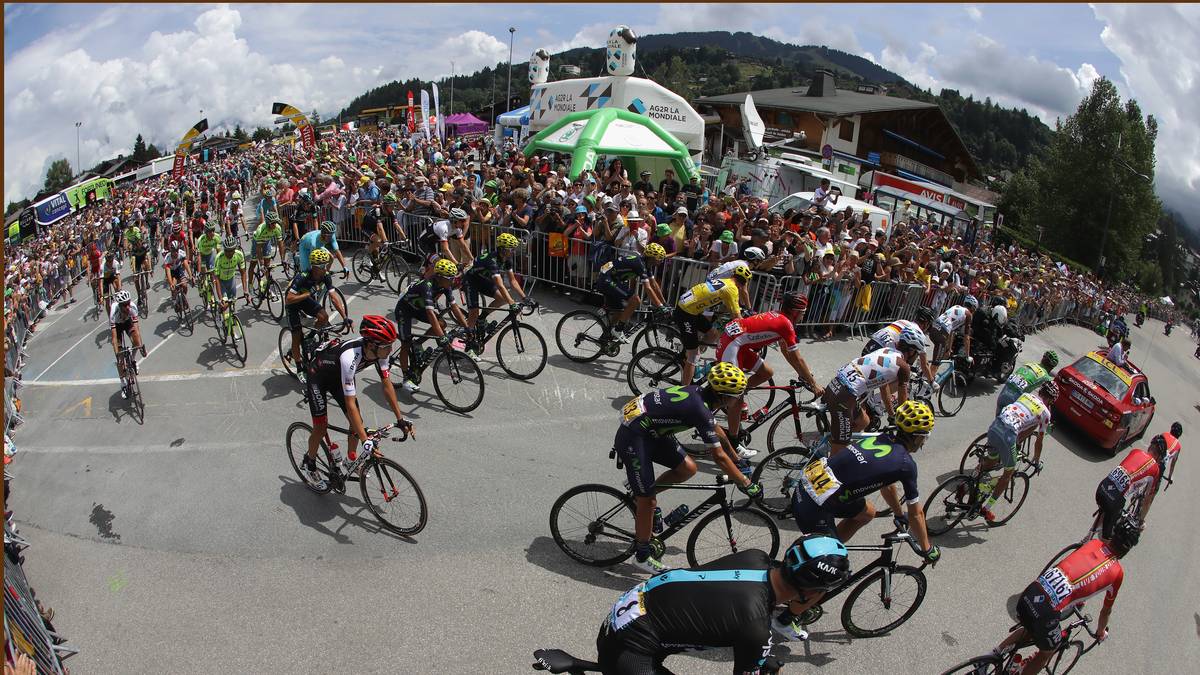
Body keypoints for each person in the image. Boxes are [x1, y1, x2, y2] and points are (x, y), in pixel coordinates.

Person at [775, 401, 942, 640]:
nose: (924, 442)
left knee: (868, 512)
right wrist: (927, 549)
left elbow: (889, 486)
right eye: (924, 437)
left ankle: (827, 546)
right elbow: (917, 513)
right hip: (814, 504)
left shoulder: (883, 438)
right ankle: (784, 619)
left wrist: (897, 514)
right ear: (917, 437)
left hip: (813, 487)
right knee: (834, 570)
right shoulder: (906, 464)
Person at [593, 535, 849, 674]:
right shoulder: (755, 627)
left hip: (632, 611)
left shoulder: (755, 556)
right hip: (628, 652)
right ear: (810, 592)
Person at [614, 362, 764, 573]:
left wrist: (736, 457)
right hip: (634, 436)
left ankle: (639, 487)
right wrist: (745, 482)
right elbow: (718, 457)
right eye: (737, 395)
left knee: (688, 468)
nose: (739, 399)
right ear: (723, 395)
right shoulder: (699, 409)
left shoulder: (701, 396)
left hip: (652, 430)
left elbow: (715, 429)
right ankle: (641, 555)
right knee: (648, 501)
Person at [992, 520, 1139, 675]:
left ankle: (990, 656)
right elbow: (1106, 612)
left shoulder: (1093, 543)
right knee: (1047, 652)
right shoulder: (1117, 573)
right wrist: (1101, 632)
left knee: (1030, 628)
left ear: (1114, 535)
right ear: (1127, 549)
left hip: (1030, 592)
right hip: (1045, 612)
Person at [299, 315, 414, 491]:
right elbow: (350, 402)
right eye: (387, 346)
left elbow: (387, 386)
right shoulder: (349, 357)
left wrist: (400, 418)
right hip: (318, 377)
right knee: (321, 427)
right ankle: (310, 463)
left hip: (338, 379)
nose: (391, 350)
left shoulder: (379, 350)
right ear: (371, 345)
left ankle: (350, 460)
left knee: (356, 423)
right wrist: (364, 440)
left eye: (392, 345)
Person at [717, 293, 824, 458]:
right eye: (802, 312)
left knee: (767, 372)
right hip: (732, 344)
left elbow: (786, 351)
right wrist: (813, 383)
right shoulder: (785, 324)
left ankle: (734, 397)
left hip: (740, 343)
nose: (803, 315)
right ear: (794, 312)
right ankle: (733, 441)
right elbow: (797, 357)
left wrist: (804, 375)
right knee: (737, 400)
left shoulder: (782, 319)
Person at [821, 330, 923, 457]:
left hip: (836, 386)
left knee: (863, 422)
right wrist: (904, 422)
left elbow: (883, 386)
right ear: (912, 351)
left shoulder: (886, 351)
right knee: (837, 455)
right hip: (843, 398)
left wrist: (891, 414)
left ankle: (834, 441)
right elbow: (903, 401)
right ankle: (832, 454)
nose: (917, 356)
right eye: (917, 353)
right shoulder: (904, 367)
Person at [973, 381, 1057, 522]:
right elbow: (1039, 441)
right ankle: (986, 509)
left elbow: (1020, 418)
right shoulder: (1045, 413)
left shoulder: (1026, 395)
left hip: (994, 427)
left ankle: (968, 482)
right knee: (1008, 474)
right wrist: (1036, 461)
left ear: (1041, 391)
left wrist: (1018, 441)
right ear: (1052, 400)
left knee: (991, 460)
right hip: (1007, 436)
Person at [392, 258, 469, 392]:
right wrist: (442, 338)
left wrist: (467, 327)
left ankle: (418, 343)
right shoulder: (426, 285)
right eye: (449, 278)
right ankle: (406, 378)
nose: (452, 281)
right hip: (404, 309)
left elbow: (455, 308)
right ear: (439, 277)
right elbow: (430, 313)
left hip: (418, 307)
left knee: (442, 323)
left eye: (453, 278)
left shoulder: (446, 286)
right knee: (406, 343)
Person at [673, 267, 750, 388]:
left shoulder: (725, 281)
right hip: (685, 313)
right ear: (745, 283)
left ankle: (690, 357)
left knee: (713, 334)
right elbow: (737, 317)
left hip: (690, 310)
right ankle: (684, 392)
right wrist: (749, 330)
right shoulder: (732, 289)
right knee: (693, 356)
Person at [283, 248, 349, 381]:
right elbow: (288, 299)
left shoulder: (325, 275)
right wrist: (306, 294)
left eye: (326, 265)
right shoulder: (302, 277)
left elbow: (334, 297)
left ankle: (310, 338)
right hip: (293, 303)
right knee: (296, 336)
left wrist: (345, 317)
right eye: (323, 265)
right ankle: (300, 369)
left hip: (305, 299)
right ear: (315, 267)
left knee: (324, 317)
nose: (326, 268)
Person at [463, 232, 527, 354]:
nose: (513, 251)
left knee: (502, 298)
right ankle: (469, 346)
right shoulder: (491, 261)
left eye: (514, 249)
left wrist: (524, 297)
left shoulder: (507, 259)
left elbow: (513, 281)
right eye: (511, 249)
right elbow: (500, 285)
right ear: (502, 249)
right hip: (471, 281)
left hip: (483, 279)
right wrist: (512, 303)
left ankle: (482, 318)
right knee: (473, 313)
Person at [594, 245, 667, 342]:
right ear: (652, 257)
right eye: (660, 258)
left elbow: (654, 285)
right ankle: (618, 330)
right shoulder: (640, 264)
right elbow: (648, 288)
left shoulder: (646, 265)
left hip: (612, 278)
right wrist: (660, 306)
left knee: (619, 311)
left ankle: (605, 337)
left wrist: (664, 303)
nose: (662, 260)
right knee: (635, 300)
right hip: (606, 279)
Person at [1095, 440, 1165, 539]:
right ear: (1159, 457)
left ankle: (1092, 532)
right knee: (1110, 540)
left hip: (1102, 487)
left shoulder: (1135, 451)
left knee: (1106, 512)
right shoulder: (1155, 469)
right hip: (1114, 500)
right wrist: (1140, 521)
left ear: (1150, 447)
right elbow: (1147, 500)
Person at [863, 307, 937, 386]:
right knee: (904, 377)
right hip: (878, 356)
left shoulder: (902, 321)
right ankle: (881, 398)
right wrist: (932, 382)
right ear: (926, 324)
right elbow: (924, 364)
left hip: (869, 347)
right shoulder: (918, 334)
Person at [108, 289, 145, 399]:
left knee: (136, 341)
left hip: (127, 322)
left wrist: (141, 346)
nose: (128, 306)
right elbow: (114, 338)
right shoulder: (114, 313)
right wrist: (118, 355)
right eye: (125, 305)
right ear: (120, 305)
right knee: (119, 358)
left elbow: (137, 330)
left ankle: (133, 359)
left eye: (128, 303)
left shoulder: (132, 307)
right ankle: (123, 383)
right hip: (117, 327)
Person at [211, 236, 249, 317]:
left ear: (234, 249)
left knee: (232, 302)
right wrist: (220, 298)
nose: (229, 253)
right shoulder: (219, 258)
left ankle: (231, 320)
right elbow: (216, 279)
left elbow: (243, 273)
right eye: (227, 251)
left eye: (231, 251)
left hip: (231, 280)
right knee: (224, 305)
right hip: (221, 282)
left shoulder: (239, 255)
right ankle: (219, 312)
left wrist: (245, 291)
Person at [930, 296, 976, 363]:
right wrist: (967, 356)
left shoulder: (956, 306)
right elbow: (966, 338)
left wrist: (949, 349)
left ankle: (924, 371)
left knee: (943, 354)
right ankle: (929, 370)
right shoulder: (968, 314)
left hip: (934, 327)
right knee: (936, 363)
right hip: (942, 333)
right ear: (972, 308)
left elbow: (952, 331)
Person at [248, 211, 286, 289]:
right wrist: (261, 264)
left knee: (267, 266)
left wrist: (283, 259)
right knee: (253, 263)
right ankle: (250, 284)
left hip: (267, 241)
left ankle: (267, 285)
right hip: (257, 242)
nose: (275, 225)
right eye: (273, 223)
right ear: (268, 223)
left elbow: (280, 244)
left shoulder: (277, 228)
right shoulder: (260, 229)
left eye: (275, 222)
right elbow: (258, 249)